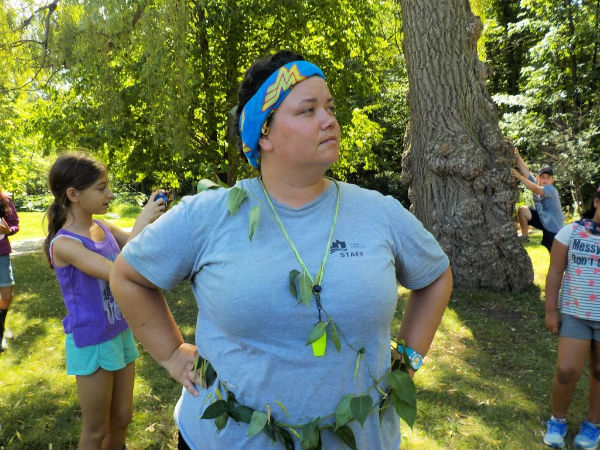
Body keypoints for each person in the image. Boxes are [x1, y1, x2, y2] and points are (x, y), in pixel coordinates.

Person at [110, 50, 453, 450]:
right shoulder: (209, 215)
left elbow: (435, 276)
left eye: (329, 107)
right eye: (307, 110)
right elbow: (128, 274)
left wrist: (407, 360)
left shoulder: (378, 212)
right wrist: (170, 354)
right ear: (264, 133)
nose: (329, 120)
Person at [43, 153, 166, 449]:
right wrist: (143, 218)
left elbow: (137, 247)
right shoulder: (65, 244)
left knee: (122, 418)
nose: (109, 194)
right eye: (101, 188)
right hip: (93, 341)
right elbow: (119, 273)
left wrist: (154, 221)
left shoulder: (105, 227)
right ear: (73, 194)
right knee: (96, 430)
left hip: (119, 331)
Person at [542, 187, 600, 448]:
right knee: (566, 371)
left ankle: (593, 425)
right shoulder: (571, 233)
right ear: (597, 201)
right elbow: (555, 274)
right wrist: (551, 311)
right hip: (576, 315)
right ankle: (557, 420)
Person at [511, 147, 564, 252]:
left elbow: (536, 189)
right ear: (538, 178)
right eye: (542, 177)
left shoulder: (551, 189)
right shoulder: (536, 183)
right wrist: (517, 155)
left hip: (554, 229)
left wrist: (519, 177)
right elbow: (526, 173)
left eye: (548, 177)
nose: (545, 180)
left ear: (552, 180)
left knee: (556, 259)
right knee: (522, 210)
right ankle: (525, 236)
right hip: (543, 221)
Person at [0, 190, 19, 353]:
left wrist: (8, 231)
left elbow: (14, 223)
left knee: (6, 296)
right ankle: (1, 335)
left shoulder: (4, 200)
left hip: (2, 254)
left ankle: (2, 325)